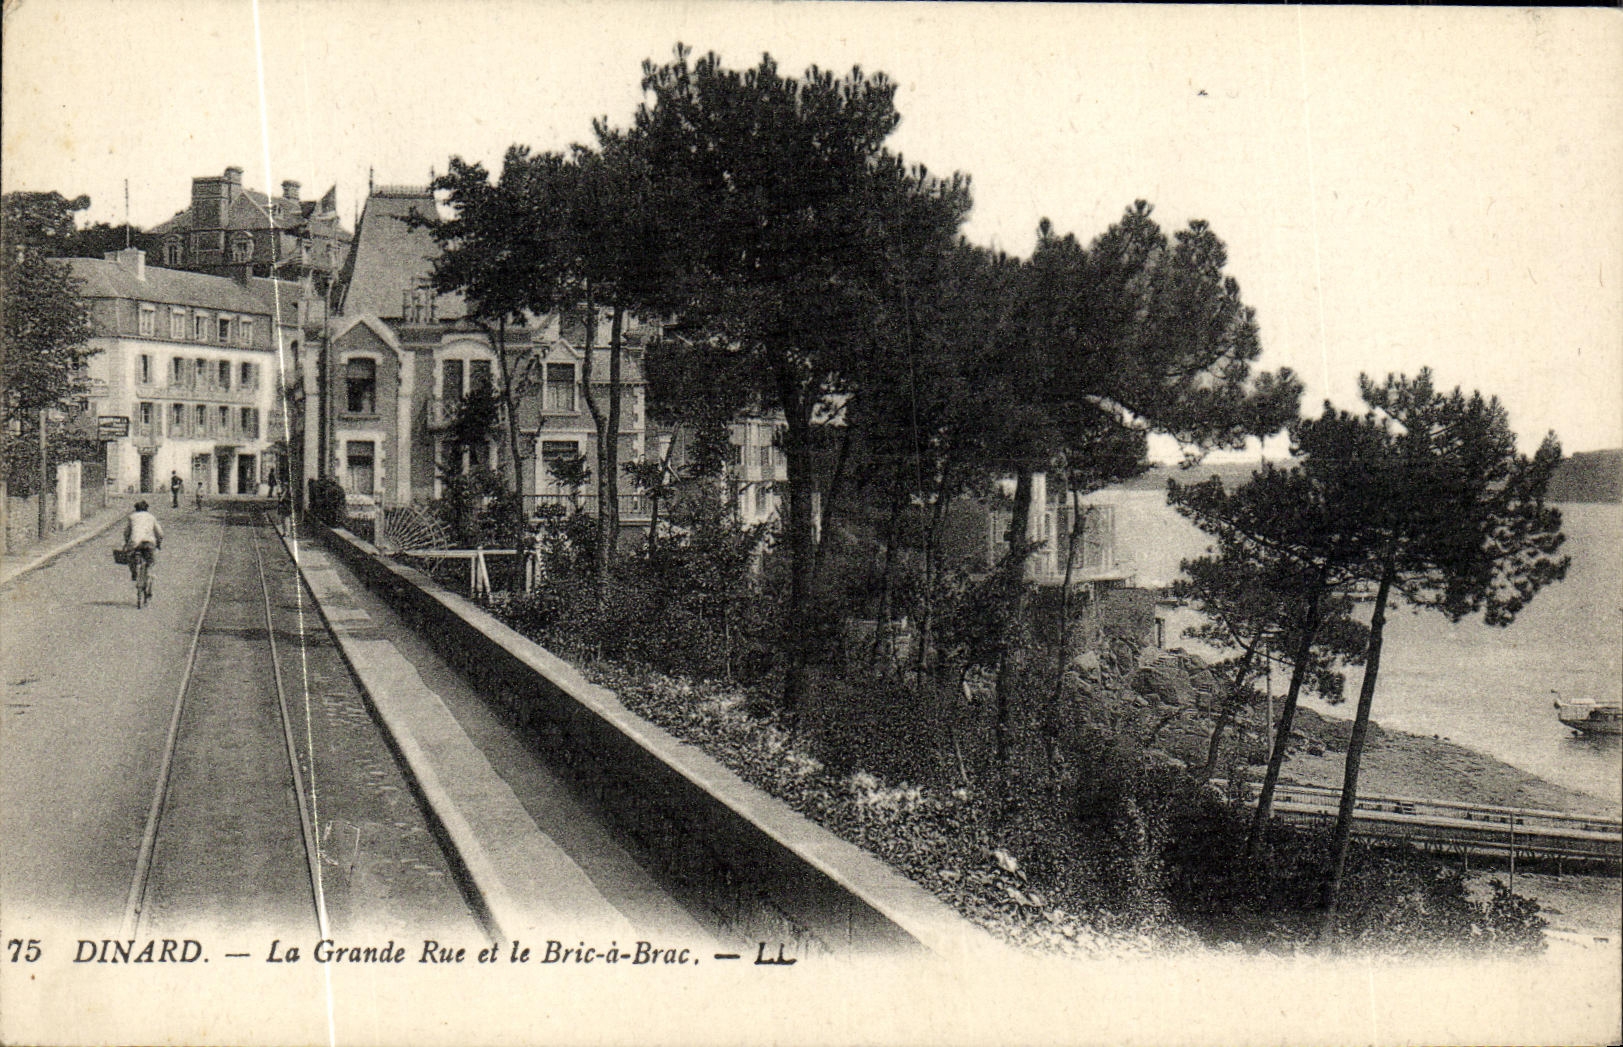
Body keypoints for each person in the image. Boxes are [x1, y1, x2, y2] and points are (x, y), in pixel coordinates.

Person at [123, 499, 164, 593]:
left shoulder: (132, 517)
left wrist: (126, 542)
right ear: (147, 509)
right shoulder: (151, 517)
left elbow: (126, 533)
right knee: (150, 562)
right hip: (149, 542)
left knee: (130, 557)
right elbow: (160, 533)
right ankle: (149, 578)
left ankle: (134, 573)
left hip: (135, 542)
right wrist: (159, 543)